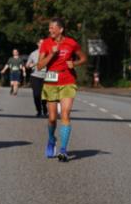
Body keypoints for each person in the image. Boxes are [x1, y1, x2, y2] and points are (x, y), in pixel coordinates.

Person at [37, 17, 87, 162]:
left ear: (61, 29)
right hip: (51, 83)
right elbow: (39, 66)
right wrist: (52, 54)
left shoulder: (71, 43)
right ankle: (52, 139)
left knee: (65, 114)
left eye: (52, 27)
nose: (50, 30)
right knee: (52, 118)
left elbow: (83, 58)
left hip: (67, 81)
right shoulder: (46, 43)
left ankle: (63, 150)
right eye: (49, 28)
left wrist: (75, 63)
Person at [25, 39, 46, 117]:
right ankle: (39, 110)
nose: (42, 44)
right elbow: (27, 65)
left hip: (46, 76)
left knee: (45, 95)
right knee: (36, 95)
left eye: (43, 43)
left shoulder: (49, 53)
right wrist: (29, 65)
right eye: (40, 43)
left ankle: (44, 108)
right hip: (35, 76)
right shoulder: (33, 54)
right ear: (38, 44)